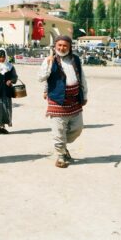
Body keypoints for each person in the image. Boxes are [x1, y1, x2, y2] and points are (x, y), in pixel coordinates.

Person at [38, 35, 88, 168]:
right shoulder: (49, 60)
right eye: (59, 45)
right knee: (58, 131)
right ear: (55, 46)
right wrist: (48, 64)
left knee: (78, 128)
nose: (62, 48)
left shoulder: (75, 59)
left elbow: (82, 77)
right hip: (57, 101)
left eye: (65, 45)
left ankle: (63, 145)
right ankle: (61, 155)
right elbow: (41, 78)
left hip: (74, 100)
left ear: (70, 47)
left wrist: (85, 95)